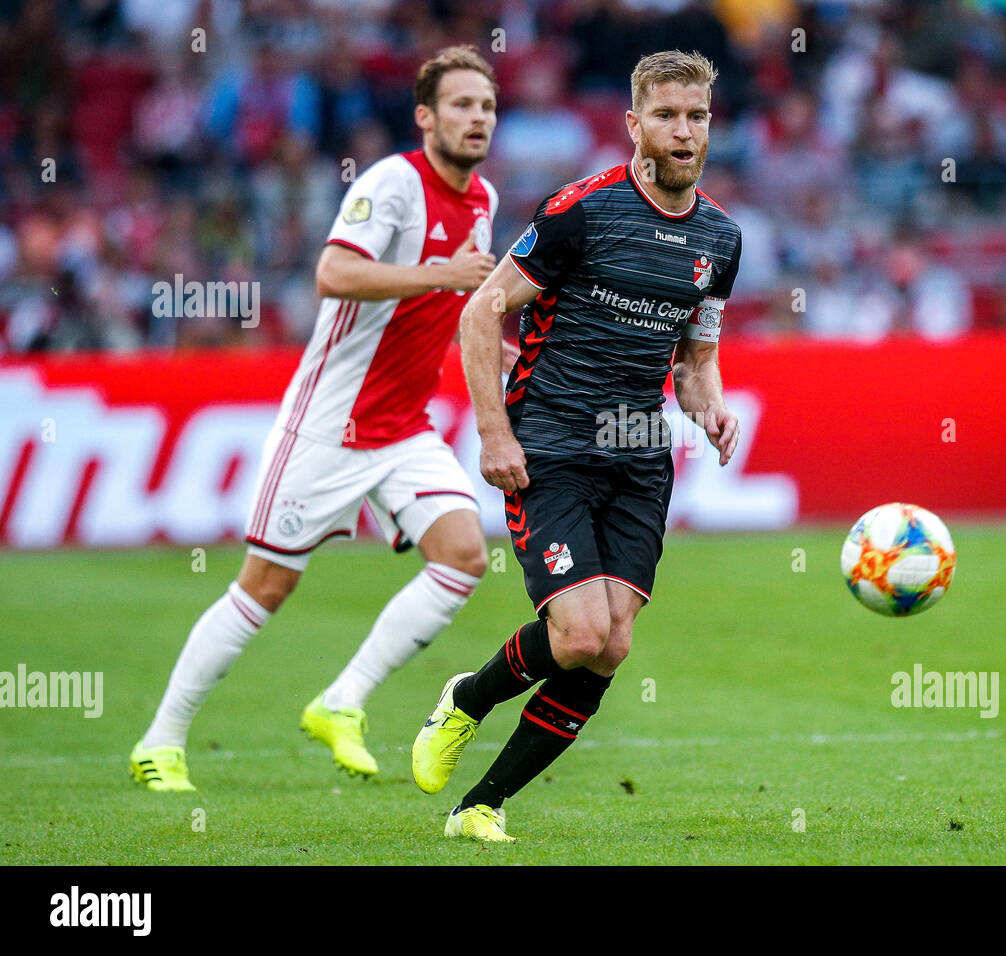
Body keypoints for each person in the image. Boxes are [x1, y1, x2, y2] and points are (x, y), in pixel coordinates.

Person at [130, 46, 510, 791]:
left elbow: (463, 305)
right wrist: (441, 274)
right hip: (327, 424)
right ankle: (160, 740)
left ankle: (342, 701)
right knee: (265, 587)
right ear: (426, 116)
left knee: (464, 555)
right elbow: (333, 273)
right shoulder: (393, 184)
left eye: (488, 107)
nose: (477, 119)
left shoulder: (484, 202)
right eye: (462, 105)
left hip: (405, 426)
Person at [410, 50, 743, 842]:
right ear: (634, 125)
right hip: (551, 442)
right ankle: (468, 698)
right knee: (580, 634)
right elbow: (481, 311)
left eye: (695, 116)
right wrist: (493, 433)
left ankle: (478, 808)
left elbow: (695, 361)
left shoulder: (721, 240)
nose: (682, 131)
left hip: (638, 455)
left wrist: (712, 407)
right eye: (665, 115)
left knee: (611, 646)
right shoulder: (581, 211)